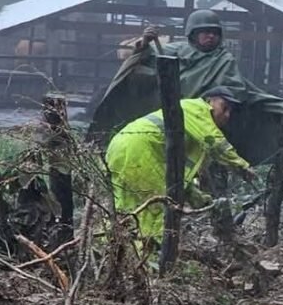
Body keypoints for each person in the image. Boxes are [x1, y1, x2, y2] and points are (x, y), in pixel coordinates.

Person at [90, 9, 283, 168]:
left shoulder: (223, 58)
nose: (210, 37)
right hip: (169, 114)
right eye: (205, 33)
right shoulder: (176, 50)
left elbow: (235, 87)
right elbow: (142, 58)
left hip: (205, 119)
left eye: (214, 33)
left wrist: (215, 97)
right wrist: (144, 42)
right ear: (193, 33)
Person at [106, 86, 254, 245]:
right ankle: (151, 256)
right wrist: (242, 166)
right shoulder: (198, 110)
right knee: (157, 207)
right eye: (224, 108)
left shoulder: (193, 128)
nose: (226, 115)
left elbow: (176, 173)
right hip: (137, 151)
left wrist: (199, 199)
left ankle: (112, 249)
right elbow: (216, 144)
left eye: (229, 112)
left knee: (128, 207)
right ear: (209, 101)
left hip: (121, 147)